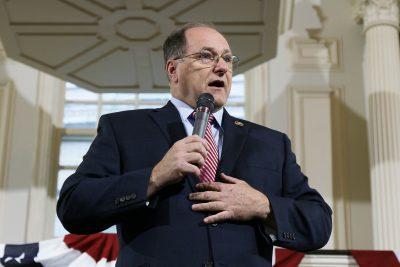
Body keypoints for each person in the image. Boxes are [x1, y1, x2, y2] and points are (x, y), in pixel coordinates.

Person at [57, 22, 332, 267]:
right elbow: (73, 207)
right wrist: (153, 177)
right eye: (206, 56)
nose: (222, 67)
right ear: (173, 69)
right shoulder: (124, 129)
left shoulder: (271, 143)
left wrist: (263, 205)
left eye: (227, 58)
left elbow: (318, 224)